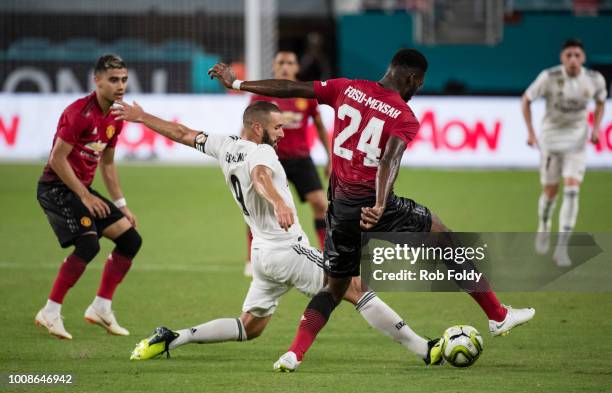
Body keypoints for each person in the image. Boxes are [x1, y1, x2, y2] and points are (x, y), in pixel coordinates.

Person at [208, 48, 535, 372]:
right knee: (447, 241)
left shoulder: (346, 88)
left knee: (334, 289)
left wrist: (238, 85)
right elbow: (390, 159)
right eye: (418, 84)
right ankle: (498, 315)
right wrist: (380, 204)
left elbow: (292, 88)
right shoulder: (404, 117)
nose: (417, 90)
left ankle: (294, 354)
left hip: (340, 212)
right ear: (411, 77)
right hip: (377, 206)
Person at [111, 100, 441, 365]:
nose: (283, 133)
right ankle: (424, 349)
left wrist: (142, 116)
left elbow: (182, 132)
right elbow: (260, 177)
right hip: (287, 250)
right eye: (278, 127)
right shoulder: (262, 151)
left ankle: (174, 337)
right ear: (258, 127)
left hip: (263, 256)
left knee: (249, 326)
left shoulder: (225, 145)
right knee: (355, 287)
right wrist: (278, 203)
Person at [34, 54, 142, 340]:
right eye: (113, 80)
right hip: (56, 187)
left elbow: (107, 164)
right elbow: (57, 159)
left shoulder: (116, 117)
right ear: (97, 81)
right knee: (88, 245)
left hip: (81, 189)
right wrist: (84, 195)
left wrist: (122, 205)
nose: (120, 86)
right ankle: (50, 311)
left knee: (130, 238)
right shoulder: (78, 113)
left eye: (124, 80)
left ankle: (101, 308)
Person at [243, 50, 331, 277]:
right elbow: (246, 129)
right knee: (259, 207)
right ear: (274, 67)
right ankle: (252, 259)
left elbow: (320, 127)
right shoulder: (260, 95)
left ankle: (326, 255)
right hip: (270, 159)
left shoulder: (306, 95)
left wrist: (330, 157)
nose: (285, 66)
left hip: (301, 158)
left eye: (290, 62)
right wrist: (243, 154)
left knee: (321, 205)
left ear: (296, 68)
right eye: (280, 62)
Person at [522, 39, 607, 265]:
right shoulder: (549, 77)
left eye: (577, 55)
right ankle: (544, 223)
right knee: (550, 191)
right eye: (568, 55)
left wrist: (596, 128)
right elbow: (526, 99)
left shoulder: (594, 79)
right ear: (562, 57)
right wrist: (531, 133)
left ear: (583, 58)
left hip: (577, 141)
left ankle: (562, 248)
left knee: (572, 190)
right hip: (551, 139)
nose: (572, 59)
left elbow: (600, 102)